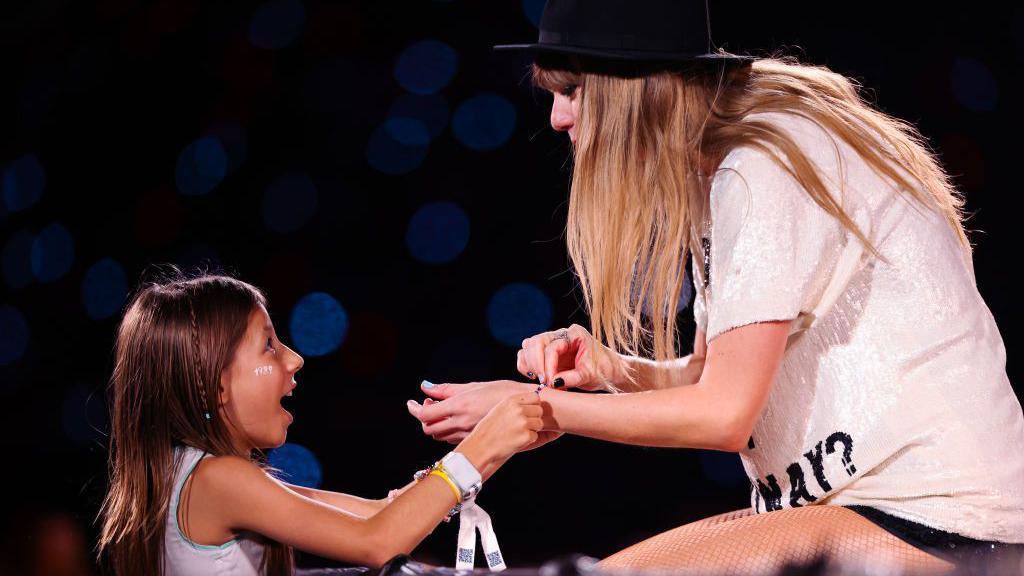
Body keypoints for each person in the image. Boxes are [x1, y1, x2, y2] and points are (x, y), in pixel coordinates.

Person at [407, 0, 1024, 572]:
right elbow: (718, 376)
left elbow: (725, 414)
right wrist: (616, 370)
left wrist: (531, 410)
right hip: (862, 508)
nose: (557, 116)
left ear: (637, 88)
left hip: (938, 518)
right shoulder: (726, 163)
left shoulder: (760, 169)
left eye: (573, 91)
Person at [97, 273, 548, 575]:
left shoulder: (194, 474)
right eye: (269, 346)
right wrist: (479, 447)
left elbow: (377, 513)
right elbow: (377, 541)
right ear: (213, 384)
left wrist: (491, 444)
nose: (295, 359)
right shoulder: (217, 479)